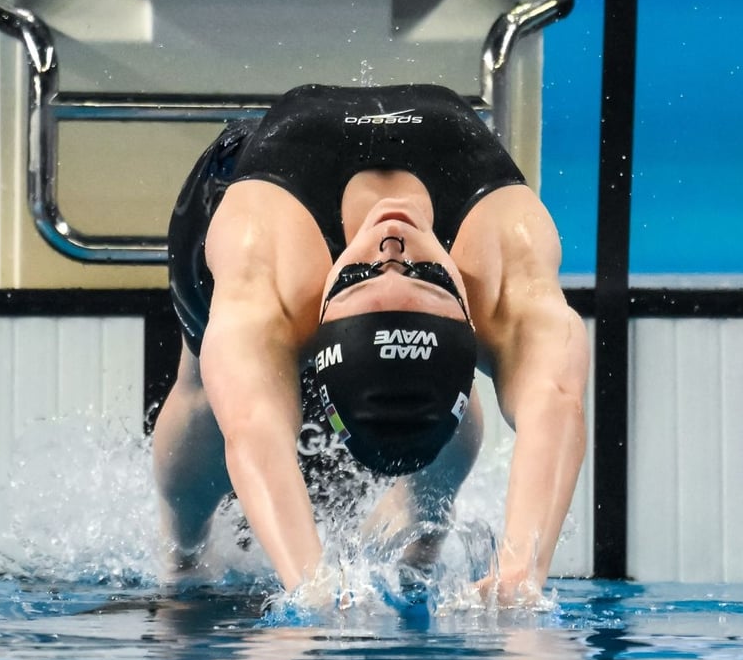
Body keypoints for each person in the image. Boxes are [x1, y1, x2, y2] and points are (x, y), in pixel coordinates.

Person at [152, 83, 589, 606]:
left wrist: (517, 573)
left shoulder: (273, 277)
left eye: (359, 275)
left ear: (323, 310)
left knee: (428, 395)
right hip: (238, 180)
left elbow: (254, 427)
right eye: (428, 276)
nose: (392, 241)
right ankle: (184, 547)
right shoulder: (499, 269)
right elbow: (556, 403)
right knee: (204, 389)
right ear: (471, 318)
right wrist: (525, 571)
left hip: (269, 204)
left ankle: (422, 530)